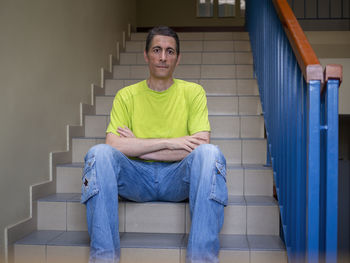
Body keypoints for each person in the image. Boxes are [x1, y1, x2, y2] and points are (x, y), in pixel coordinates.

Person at [81, 26, 228, 263]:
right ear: (146, 54)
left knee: (210, 154)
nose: (163, 57)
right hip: (136, 178)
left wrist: (137, 144)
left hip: (177, 179)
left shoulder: (194, 93)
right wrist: (171, 142)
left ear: (178, 58)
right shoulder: (126, 95)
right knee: (98, 153)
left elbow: (200, 146)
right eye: (157, 50)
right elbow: (112, 145)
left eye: (170, 52)